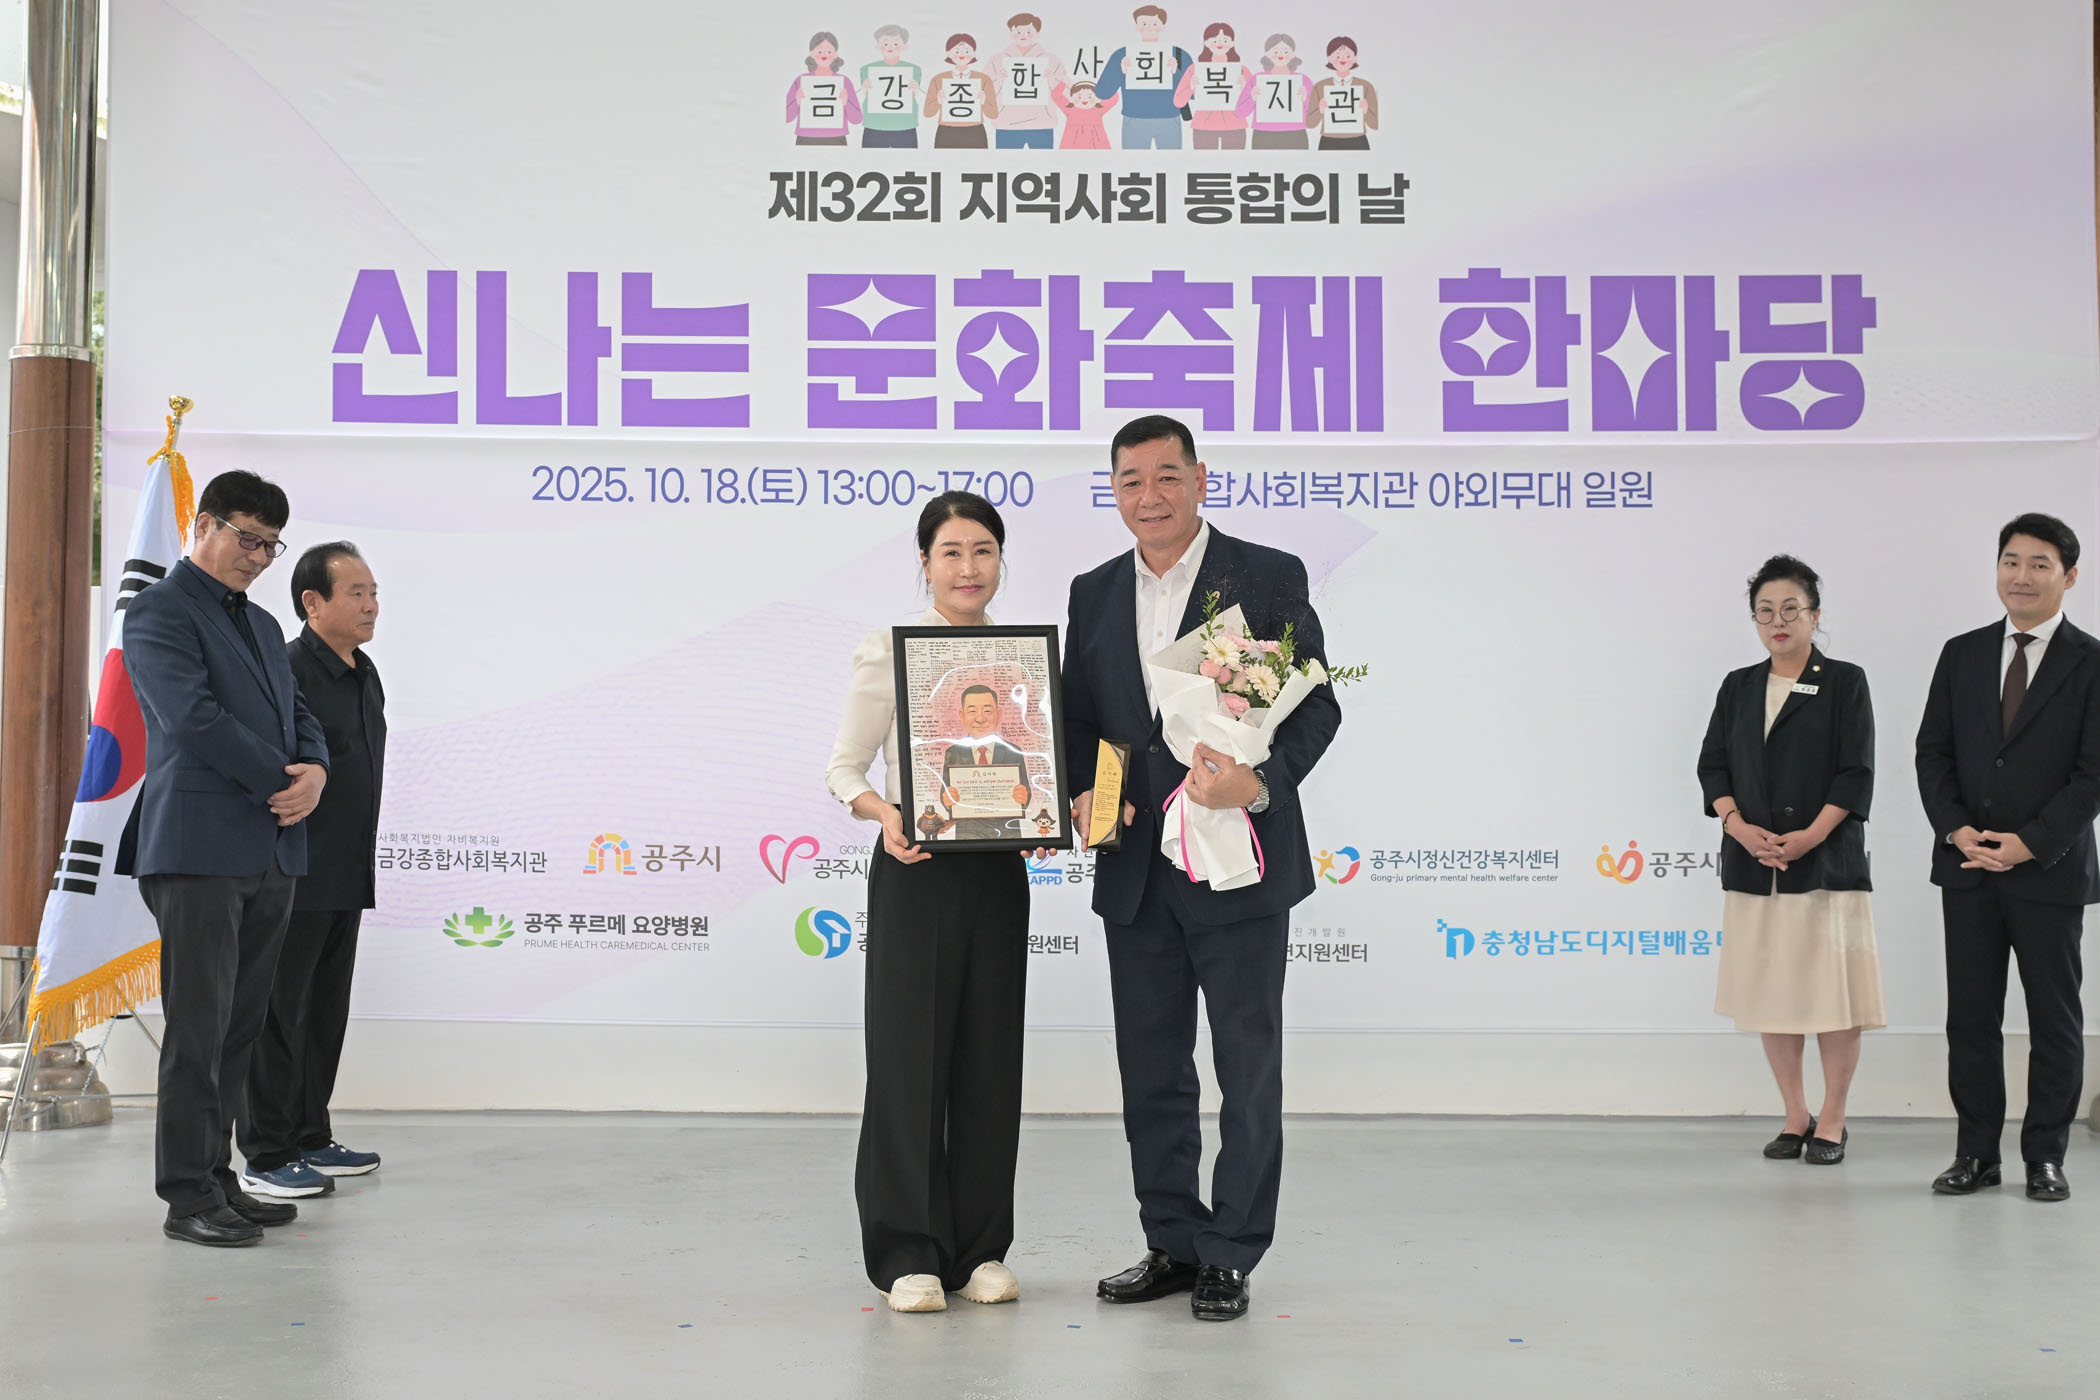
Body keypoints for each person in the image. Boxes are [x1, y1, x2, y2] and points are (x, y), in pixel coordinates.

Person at [1063, 415, 1341, 1322]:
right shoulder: (1094, 590)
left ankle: (1232, 1251)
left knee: (1246, 1069)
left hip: (1238, 863)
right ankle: (1173, 1242)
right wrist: (1087, 793)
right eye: (1131, 481)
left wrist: (1258, 784)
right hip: (1136, 871)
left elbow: (1315, 705)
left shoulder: (1264, 575)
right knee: (1151, 1068)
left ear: (1201, 479)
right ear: (1114, 490)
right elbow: (1080, 720)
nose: (1150, 497)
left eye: (1167, 477)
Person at [824, 492, 1031, 1312]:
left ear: (1000, 560)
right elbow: (844, 770)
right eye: (951, 552)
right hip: (916, 871)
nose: (968, 568)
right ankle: (906, 1250)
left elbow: (1034, 767)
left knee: (990, 1061)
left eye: (983, 551)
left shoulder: (1020, 663)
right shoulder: (890, 651)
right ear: (925, 562)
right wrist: (885, 815)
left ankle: (980, 1250)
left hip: (997, 875)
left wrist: (1041, 816)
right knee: (909, 1060)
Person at [116, 471, 329, 1246]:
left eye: (271, 546)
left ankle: (217, 1178)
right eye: (248, 538)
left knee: (240, 1027)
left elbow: (298, 711)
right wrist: (283, 781)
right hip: (198, 847)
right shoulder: (158, 611)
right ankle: (186, 1195)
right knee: (199, 1032)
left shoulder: (265, 626)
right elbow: (192, 719)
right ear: (203, 524)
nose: (260, 557)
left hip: (270, 847)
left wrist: (316, 770)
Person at [1916, 512, 2100, 1203]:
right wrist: (1957, 830)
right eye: (2011, 561)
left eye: (2039, 564)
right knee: (1971, 1018)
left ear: (2069, 577)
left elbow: (2092, 775)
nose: (2022, 576)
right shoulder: (1961, 653)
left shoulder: (2091, 661)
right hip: (1968, 868)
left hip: (2048, 869)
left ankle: (2045, 1156)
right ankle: (1976, 1154)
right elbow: (1932, 752)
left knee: (2054, 1021)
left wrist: (2031, 842)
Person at [1698, 555, 1883, 1166]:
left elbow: (1856, 772)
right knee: (1771, 993)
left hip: (1824, 865)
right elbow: (1713, 766)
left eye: (1790, 609)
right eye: (1765, 612)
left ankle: (1833, 1118)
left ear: (1814, 615)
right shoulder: (1738, 685)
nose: (1777, 622)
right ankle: (1795, 1115)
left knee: (1832, 996)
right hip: (1755, 863)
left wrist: (1809, 837)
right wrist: (1737, 826)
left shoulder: (1844, 681)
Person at [238, 543, 386, 1197]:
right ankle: (267, 1153)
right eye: (356, 592)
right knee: (278, 1013)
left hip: (347, 871)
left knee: (324, 1012)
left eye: (374, 593)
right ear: (312, 603)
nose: (371, 605)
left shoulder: (364, 671)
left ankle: (310, 1136)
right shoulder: (287, 670)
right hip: (293, 871)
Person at [939, 685, 1033, 840]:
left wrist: (1023, 796)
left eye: (987, 711)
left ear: (998, 714)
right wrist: (948, 799)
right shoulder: (953, 752)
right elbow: (945, 793)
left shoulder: (1013, 751)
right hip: (967, 834)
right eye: (972, 711)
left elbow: (1026, 793)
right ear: (962, 715)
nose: (980, 718)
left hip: (1007, 834)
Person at [1095, 5, 1193, 149]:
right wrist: (1120, 71)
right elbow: (1102, 93)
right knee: (1133, 162)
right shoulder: (1122, 55)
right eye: (1144, 23)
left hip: (1169, 119)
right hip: (1134, 120)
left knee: (1171, 162)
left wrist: (1176, 73)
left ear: (1163, 26)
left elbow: (1194, 93)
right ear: (1136, 26)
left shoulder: (1179, 55)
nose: (1149, 28)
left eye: (1155, 23)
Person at [989, 13, 1067, 149]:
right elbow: (984, 90)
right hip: (1007, 123)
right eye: (1018, 31)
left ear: (1038, 34)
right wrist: (998, 79)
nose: (1023, 35)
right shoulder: (998, 59)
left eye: (1029, 31)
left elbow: (1068, 92)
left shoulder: (1051, 60)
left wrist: (1052, 80)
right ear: (1011, 33)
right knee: (1006, 161)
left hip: (1042, 123)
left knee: (1044, 162)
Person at [1173, 22, 1253, 150]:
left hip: (1235, 125)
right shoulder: (1195, 70)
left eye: (1225, 40)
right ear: (1206, 43)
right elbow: (1178, 101)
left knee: (1235, 161)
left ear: (1232, 43)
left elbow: (1256, 104)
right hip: (1204, 126)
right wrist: (1191, 87)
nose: (1220, 43)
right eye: (1214, 40)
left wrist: (1245, 89)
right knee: (1204, 162)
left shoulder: (1241, 70)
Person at [785, 31, 861, 146]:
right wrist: (796, 101)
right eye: (819, 51)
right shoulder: (800, 81)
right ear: (811, 53)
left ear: (835, 54)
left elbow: (856, 119)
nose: (824, 55)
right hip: (806, 137)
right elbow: (788, 117)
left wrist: (846, 103)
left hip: (836, 137)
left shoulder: (844, 81)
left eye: (829, 51)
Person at [924, 34, 999, 149]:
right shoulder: (938, 79)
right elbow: (928, 113)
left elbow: (993, 114)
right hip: (946, 131)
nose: (962, 54)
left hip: (975, 131)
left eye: (967, 51)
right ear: (948, 53)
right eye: (957, 51)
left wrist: (984, 102)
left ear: (973, 53)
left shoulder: (983, 79)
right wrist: (938, 101)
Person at [1239, 34, 1311, 149]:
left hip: (1295, 134)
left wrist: (1305, 99)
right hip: (1264, 134)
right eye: (1276, 51)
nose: (1281, 55)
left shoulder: (1303, 80)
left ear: (1293, 54)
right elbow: (1241, 112)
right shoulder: (1257, 79)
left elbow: (1314, 116)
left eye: (1286, 51)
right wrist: (1252, 98)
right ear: (1267, 54)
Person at [1307, 36, 1378, 151]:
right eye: (1337, 56)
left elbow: (1374, 125)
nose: (1343, 59)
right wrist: (1320, 110)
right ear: (1329, 58)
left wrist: (1366, 110)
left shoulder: (1366, 86)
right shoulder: (1320, 87)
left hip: (1358, 140)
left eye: (1348, 56)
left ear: (1355, 58)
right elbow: (1310, 124)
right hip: (1329, 140)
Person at [859, 24, 922, 148]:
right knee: (870, 157)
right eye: (886, 43)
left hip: (905, 124)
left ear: (905, 45)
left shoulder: (913, 69)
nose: (890, 47)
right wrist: (865, 88)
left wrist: (915, 88)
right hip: (875, 124)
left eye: (896, 43)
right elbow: (864, 94)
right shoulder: (867, 69)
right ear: (877, 45)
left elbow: (916, 95)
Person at [1051, 79, 1118, 149]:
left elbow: (1114, 97)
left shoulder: (1098, 108)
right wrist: (1064, 82)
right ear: (1072, 98)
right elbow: (1056, 95)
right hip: (1072, 143)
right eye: (1079, 97)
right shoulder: (1069, 108)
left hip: (1096, 144)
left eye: (1090, 97)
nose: (1085, 99)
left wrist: (1105, 85)